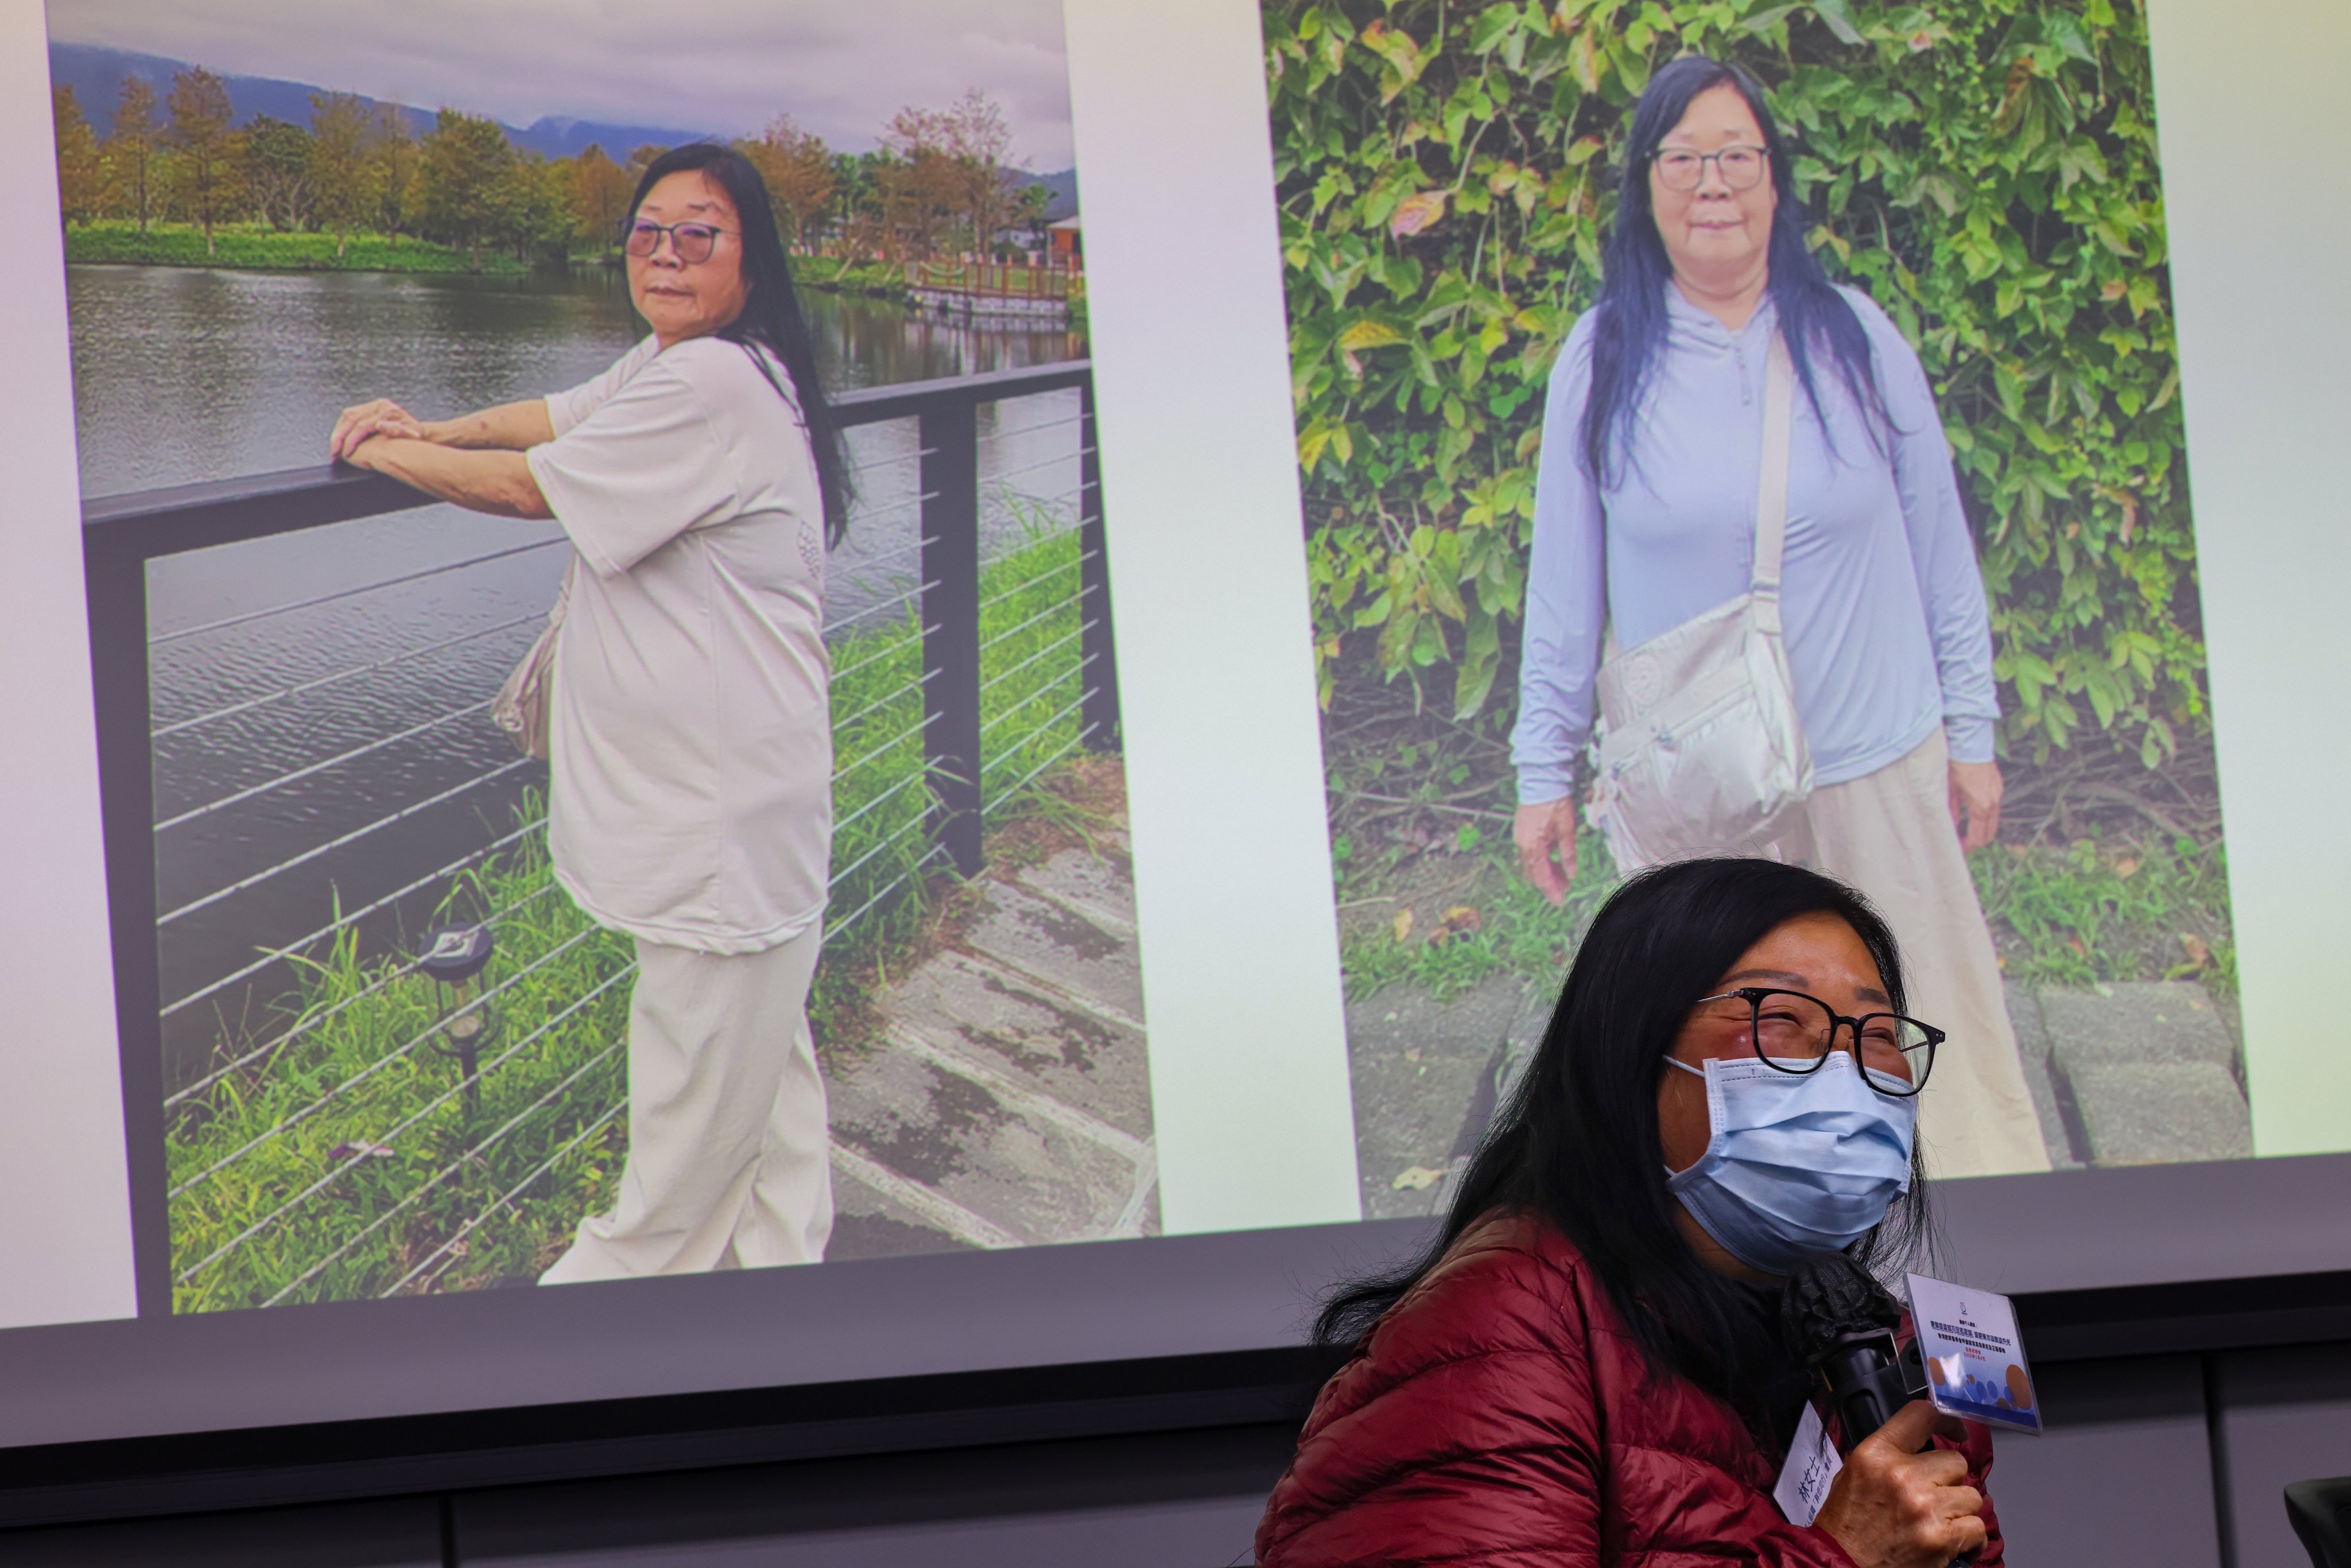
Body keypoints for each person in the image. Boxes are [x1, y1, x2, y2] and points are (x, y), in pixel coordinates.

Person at [1506, 56, 2048, 1179]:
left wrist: (1972, 732)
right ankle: (1761, 1335)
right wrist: (1538, 771)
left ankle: (1961, 1336)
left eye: (1737, 155)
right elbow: (1562, 585)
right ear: (1645, 183)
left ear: (1773, 179)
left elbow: (1939, 541)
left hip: (1876, 767)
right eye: (1685, 156)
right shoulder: (1600, 360)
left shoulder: (1852, 337)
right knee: (1734, 1107)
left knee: (1940, 1090)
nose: (1714, 181)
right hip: (1706, 803)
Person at [326, 143, 855, 1282]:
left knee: (677, 1164)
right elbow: (552, 418)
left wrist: (384, 452)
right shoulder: (694, 364)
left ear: (750, 262)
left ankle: (585, 1346)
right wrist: (433, 425)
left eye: (697, 234)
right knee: (769, 1092)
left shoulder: (710, 382)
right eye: (645, 231)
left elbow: (533, 487)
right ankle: (789, 1301)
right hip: (745, 811)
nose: (664, 253)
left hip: (722, 827)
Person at [1256, 859, 2004, 1568]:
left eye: (1876, 1036)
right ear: (1634, 1058)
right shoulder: (1496, 1340)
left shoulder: (1880, 1347)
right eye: (1780, 1019)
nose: (1843, 1071)